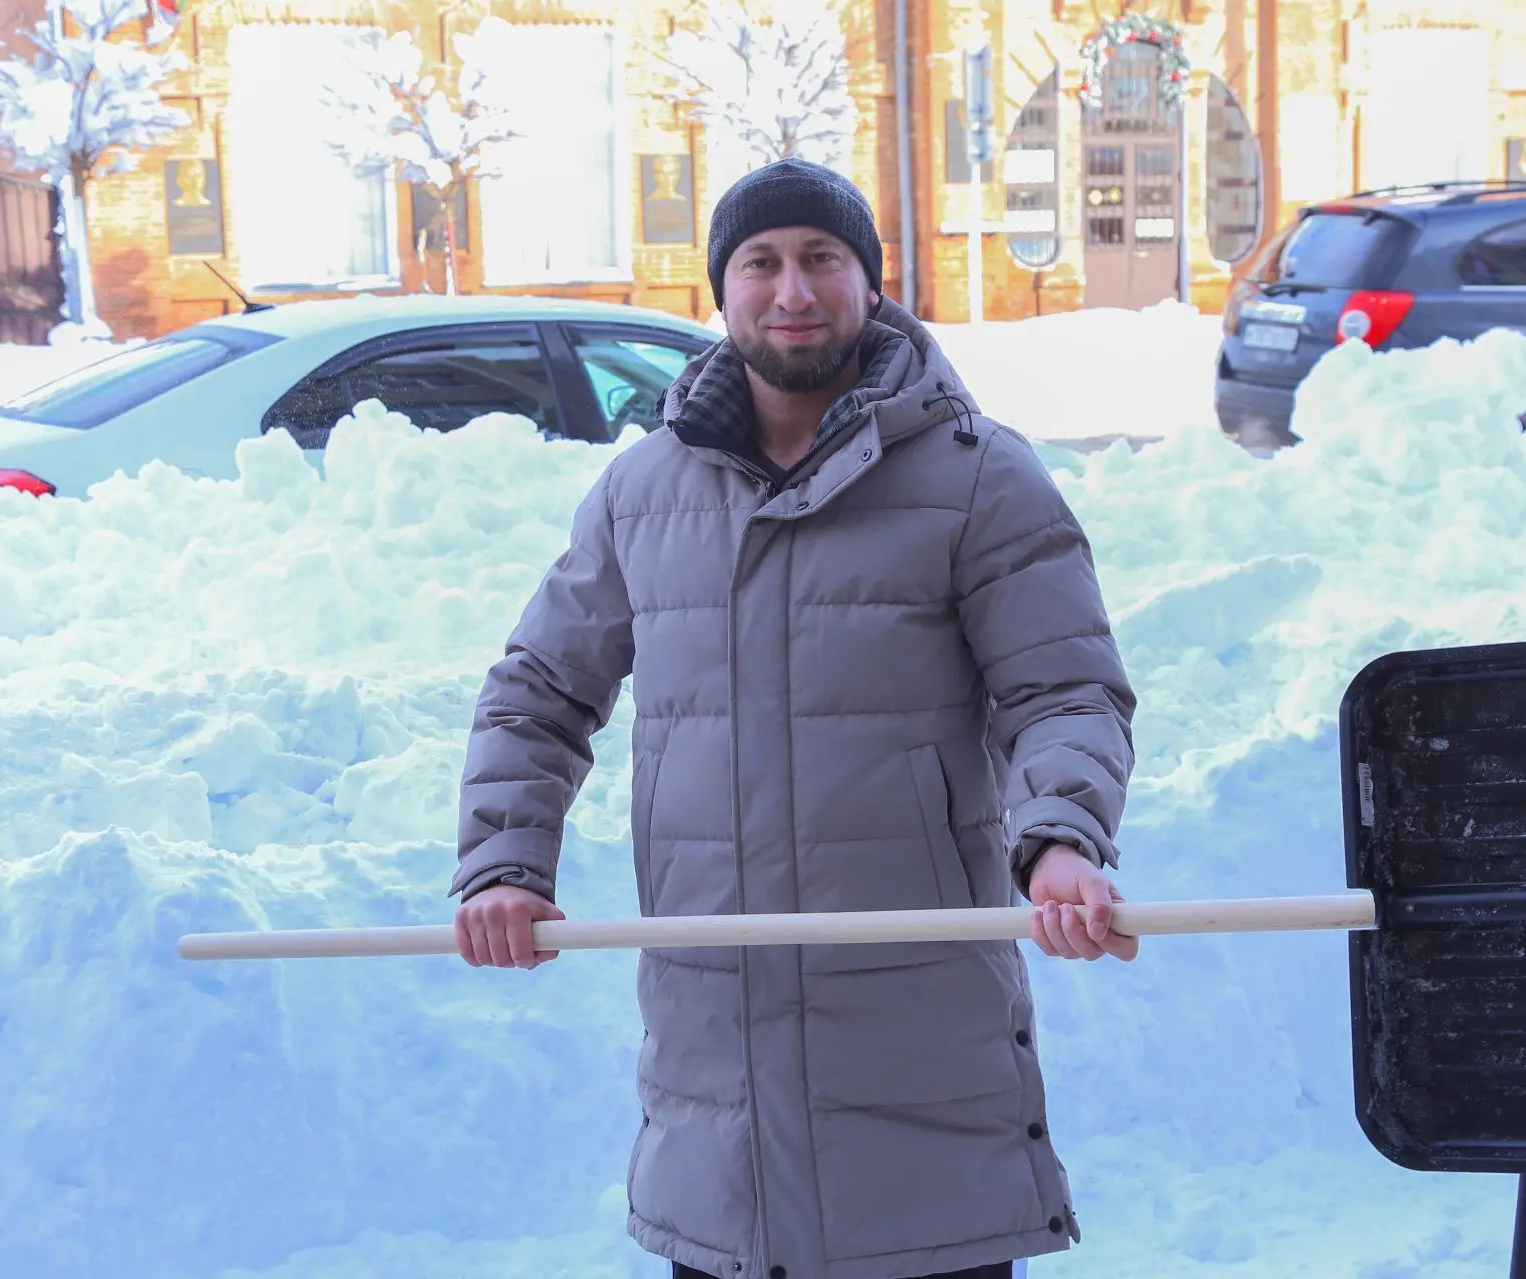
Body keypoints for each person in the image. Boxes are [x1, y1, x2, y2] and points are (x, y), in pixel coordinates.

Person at [449, 157, 1138, 1279]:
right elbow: (538, 690)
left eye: (823, 258)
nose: (793, 290)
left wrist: (1061, 835)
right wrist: (504, 863)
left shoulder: (979, 478)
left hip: (923, 1074)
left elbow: (1064, 689)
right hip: (716, 1098)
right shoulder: (641, 495)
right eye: (760, 263)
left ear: (870, 280)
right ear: (721, 291)